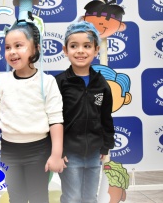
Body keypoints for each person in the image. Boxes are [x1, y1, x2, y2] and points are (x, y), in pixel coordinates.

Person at [0, 20, 65, 203]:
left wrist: (56, 154)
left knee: (38, 197)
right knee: (16, 197)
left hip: (38, 150)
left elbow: (56, 120)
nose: (12, 51)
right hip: (9, 150)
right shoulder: (1, 81)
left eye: (19, 46)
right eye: (7, 47)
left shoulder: (47, 82)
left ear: (35, 49)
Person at [55, 21, 115, 203]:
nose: (80, 51)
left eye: (87, 46)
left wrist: (105, 144)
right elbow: (53, 119)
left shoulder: (101, 84)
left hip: (94, 152)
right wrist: (58, 150)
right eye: (74, 46)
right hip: (69, 153)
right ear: (65, 50)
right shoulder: (60, 82)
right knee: (72, 197)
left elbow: (106, 116)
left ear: (96, 50)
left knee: (90, 197)